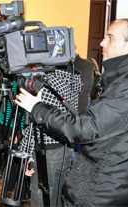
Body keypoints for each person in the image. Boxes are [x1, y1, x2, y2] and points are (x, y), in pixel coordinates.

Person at [15, 18, 128, 206]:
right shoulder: (83, 76)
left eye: (110, 37)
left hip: (101, 183)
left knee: (43, 198)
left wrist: (36, 109)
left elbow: (84, 127)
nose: (102, 42)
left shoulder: (126, 85)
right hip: (84, 163)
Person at [17, 68, 82, 207]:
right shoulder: (68, 78)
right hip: (62, 149)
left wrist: (25, 152)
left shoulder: (45, 82)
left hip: (46, 151)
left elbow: (37, 120)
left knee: (41, 200)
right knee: (54, 197)